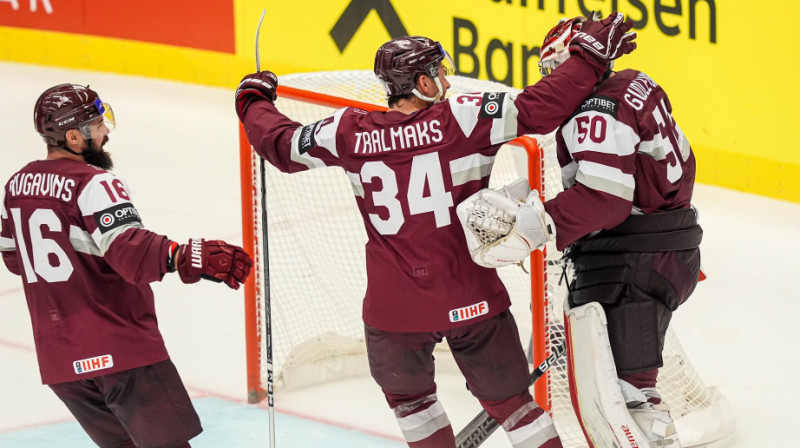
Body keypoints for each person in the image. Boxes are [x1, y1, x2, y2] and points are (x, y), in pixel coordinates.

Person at [235, 13, 635, 448]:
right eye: (439, 70)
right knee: (518, 411)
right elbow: (541, 107)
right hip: (471, 298)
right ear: (423, 84)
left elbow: (281, 145)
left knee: (413, 405)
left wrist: (253, 100)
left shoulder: (347, 132)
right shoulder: (463, 118)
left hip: (394, 312)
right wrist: (588, 59)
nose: (446, 76)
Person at [0, 83, 253, 448]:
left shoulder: (16, 187)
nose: (105, 133)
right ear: (73, 136)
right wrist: (184, 256)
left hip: (61, 362)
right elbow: (130, 250)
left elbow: (14, 257)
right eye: (97, 126)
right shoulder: (94, 183)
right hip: (122, 353)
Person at [535, 14, 702, 447]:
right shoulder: (633, 82)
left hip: (632, 264)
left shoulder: (595, 109)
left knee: (626, 399)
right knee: (631, 389)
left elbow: (604, 199)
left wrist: (541, 222)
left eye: (556, 71)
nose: (555, 84)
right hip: (669, 248)